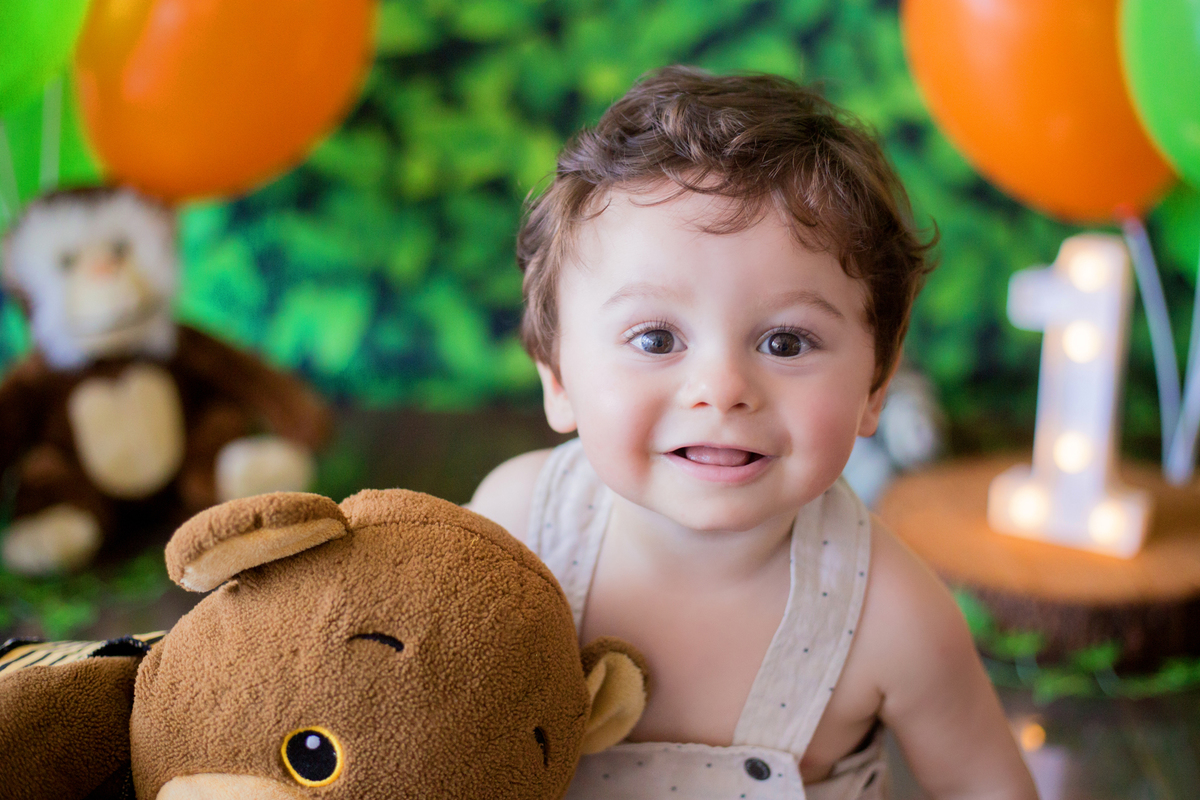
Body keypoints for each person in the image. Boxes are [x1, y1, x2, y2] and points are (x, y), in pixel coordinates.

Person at [469, 66, 1037, 799]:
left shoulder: (891, 613)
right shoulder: (519, 530)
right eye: (654, 338)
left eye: (786, 343)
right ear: (556, 374)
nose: (723, 390)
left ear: (877, 383)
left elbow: (984, 787)